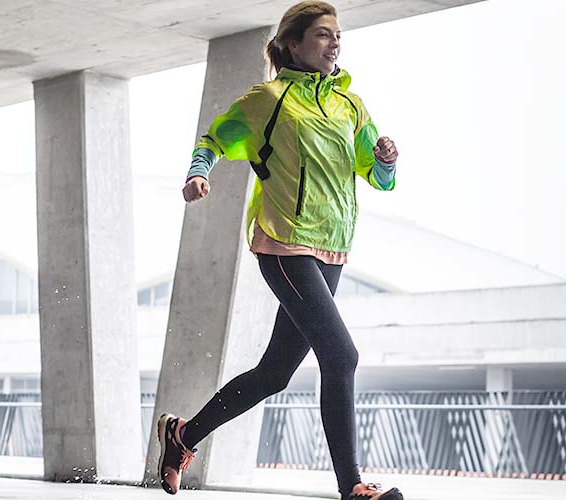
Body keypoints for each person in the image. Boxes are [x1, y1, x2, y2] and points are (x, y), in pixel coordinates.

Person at [157, 2, 401, 499]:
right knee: (342, 356)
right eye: (322, 35)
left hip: (331, 248)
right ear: (293, 44)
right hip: (284, 242)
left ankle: (182, 434)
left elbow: (377, 178)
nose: (335, 43)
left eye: (337, 36)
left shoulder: (350, 106)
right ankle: (352, 486)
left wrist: (386, 161)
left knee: (275, 373)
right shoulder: (267, 99)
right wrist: (197, 173)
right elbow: (214, 139)